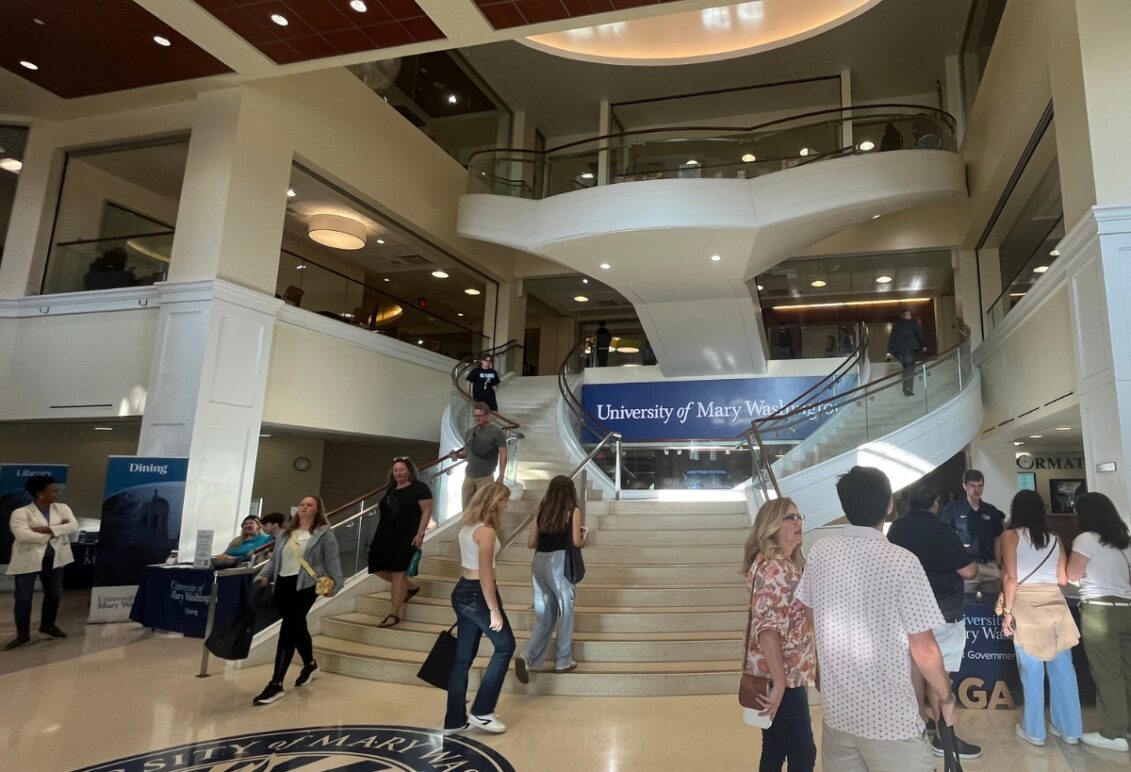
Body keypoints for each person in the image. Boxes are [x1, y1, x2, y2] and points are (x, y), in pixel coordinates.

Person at [796, 466, 956, 771]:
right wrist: (945, 696)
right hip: (892, 720)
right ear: (889, 506)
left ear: (844, 506)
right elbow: (924, 648)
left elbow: (810, 619)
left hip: (839, 714)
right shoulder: (902, 562)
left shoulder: (820, 552)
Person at [887, 483, 982, 759]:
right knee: (940, 675)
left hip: (906, 611)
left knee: (915, 671)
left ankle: (919, 727)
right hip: (943, 611)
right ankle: (944, 738)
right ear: (936, 502)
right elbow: (968, 571)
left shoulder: (896, 529)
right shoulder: (942, 531)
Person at [1000, 489, 1082, 746]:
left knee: (1032, 669)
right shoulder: (1055, 539)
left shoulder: (1010, 536)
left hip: (1026, 604)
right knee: (1063, 669)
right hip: (1056, 605)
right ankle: (1070, 729)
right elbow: (1062, 579)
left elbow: (1011, 577)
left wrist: (1007, 613)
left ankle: (1035, 730)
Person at [742, 497, 817, 772]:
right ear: (771, 525)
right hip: (781, 678)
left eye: (799, 517)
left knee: (775, 749)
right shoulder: (775, 567)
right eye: (790, 518)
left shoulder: (788, 564)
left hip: (785, 674)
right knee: (803, 752)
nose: (798, 522)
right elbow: (768, 630)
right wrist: (781, 684)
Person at [252, 494, 343, 705]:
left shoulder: (324, 534)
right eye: (302, 504)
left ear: (317, 509)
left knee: (288, 629)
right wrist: (264, 574)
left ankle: (276, 684)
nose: (304, 507)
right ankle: (310, 663)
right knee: (296, 626)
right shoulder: (286, 533)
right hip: (283, 584)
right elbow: (275, 560)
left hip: (306, 586)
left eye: (309, 505)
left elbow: (332, 561)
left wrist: (336, 585)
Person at [445, 482, 516, 735]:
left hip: (463, 590)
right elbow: (486, 573)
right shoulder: (486, 532)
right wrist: (494, 608)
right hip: (478, 592)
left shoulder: (467, 528)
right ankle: (482, 712)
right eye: (505, 500)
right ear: (494, 502)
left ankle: (454, 719)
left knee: (462, 658)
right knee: (506, 646)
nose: (507, 505)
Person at [1066, 492, 1131, 751]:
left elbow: (1072, 574)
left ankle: (1113, 733)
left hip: (1100, 612)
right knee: (1127, 671)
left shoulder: (1086, 539)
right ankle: (1125, 726)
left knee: (1107, 673)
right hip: (1126, 608)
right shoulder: (1124, 541)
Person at [514, 475, 586, 683]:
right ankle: (563, 660)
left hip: (539, 562)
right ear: (570, 491)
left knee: (545, 615)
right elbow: (575, 541)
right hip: (560, 562)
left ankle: (527, 656)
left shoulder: (541, 509)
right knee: (566, 611)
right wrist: (584, 539)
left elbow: (531, 543)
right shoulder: (573, 511)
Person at [5, 475, 78, 650]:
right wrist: (57, 531)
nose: (57, 493)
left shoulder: (62, 508)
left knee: (54, 594)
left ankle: (48, 624)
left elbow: (73, 526)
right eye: (53, 490)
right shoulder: (21, 513)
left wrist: (46, 529)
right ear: (40, 493)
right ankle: (23, 634)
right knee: (24, 597)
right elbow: (23, 535)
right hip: (28, 559)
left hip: (54, 559)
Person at [367, 457, 433, 628]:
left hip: (406, 535)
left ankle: (394, 612)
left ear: (409, 471)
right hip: (384, 534)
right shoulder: (392, 489)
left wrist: (420, 534)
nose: (398, 473)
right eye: (396, 470)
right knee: (376, 567)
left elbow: (426, 511)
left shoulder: (420, 488)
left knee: (398, 572)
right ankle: (410, 587)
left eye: (402, 469)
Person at [939, 469, 1006, 594]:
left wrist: (998, 563)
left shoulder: (991, 511)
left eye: (980, 486)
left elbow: (998, 539)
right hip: (966, 566)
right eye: (973, 486)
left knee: (991, 607)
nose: (977, 490)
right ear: (965, 486)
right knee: (965, 606)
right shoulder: (953, 509)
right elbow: (945, 537)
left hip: (989, 566)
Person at [454, 402, 508, 508]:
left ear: (487, 415)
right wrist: (457, 455)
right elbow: (465, 453)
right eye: (475, 416)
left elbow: (503, 453)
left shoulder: (496, 432)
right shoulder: (470, 432)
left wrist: (501, 476)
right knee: (466, 508)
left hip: (485, 477)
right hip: (469, 475)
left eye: (480, 416)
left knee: (483, 508)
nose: (477, 418)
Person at [885, 309, 925, 396]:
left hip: (898, 352)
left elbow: (891, 339)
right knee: (910, 368)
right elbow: (920, 334)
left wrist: (889, 352)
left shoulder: (896, 325)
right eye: (909, 315)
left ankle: (906, 387)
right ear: (906, 316)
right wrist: (923, 345)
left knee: (906, 368)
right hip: (910, 349)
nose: (911, 316)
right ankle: (908, 388)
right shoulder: (912, 323)